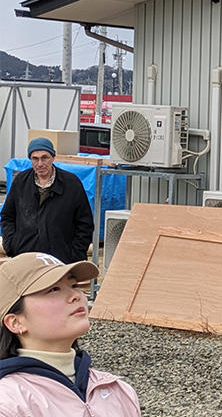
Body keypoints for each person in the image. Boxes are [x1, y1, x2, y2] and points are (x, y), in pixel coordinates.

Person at [0, 252, 141, 416]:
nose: (76, 296)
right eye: (54, 289)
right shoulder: (10, 403)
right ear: (15, 322)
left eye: (74, 286)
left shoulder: (118, 390)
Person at [1, 137, 94, 263]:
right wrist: (11, 245)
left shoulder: (71, 184)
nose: (40, 164)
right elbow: (8, 216)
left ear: (53, 158)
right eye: (35, 159)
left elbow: (85, 223)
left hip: (60, 260)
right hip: (25, 257)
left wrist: (74, 254)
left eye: (45, 158)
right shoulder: (21, 182)